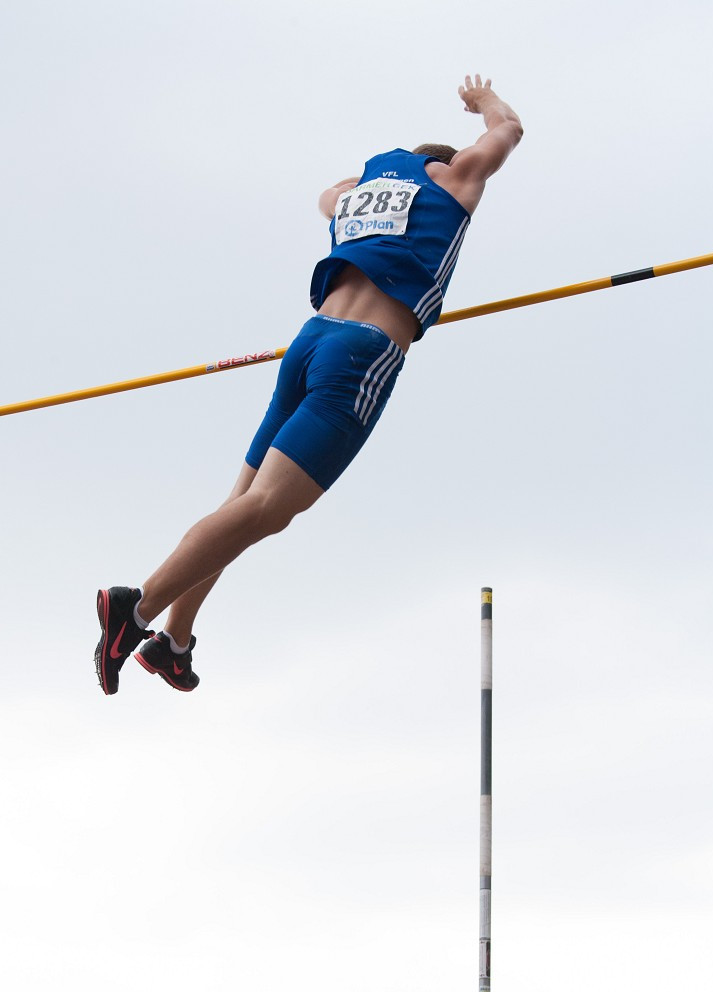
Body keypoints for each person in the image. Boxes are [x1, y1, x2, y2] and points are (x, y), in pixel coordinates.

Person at [95, 74, 523, 694]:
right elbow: (507, 130)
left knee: (242, 503)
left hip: (309, 343)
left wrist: (372, 182)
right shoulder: (453, 178)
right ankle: (134, 610)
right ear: (444, 166)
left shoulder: (352, 201)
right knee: (269, 510)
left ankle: (175, 639)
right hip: (363, 352)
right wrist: (482, 101)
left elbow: (331, 192)